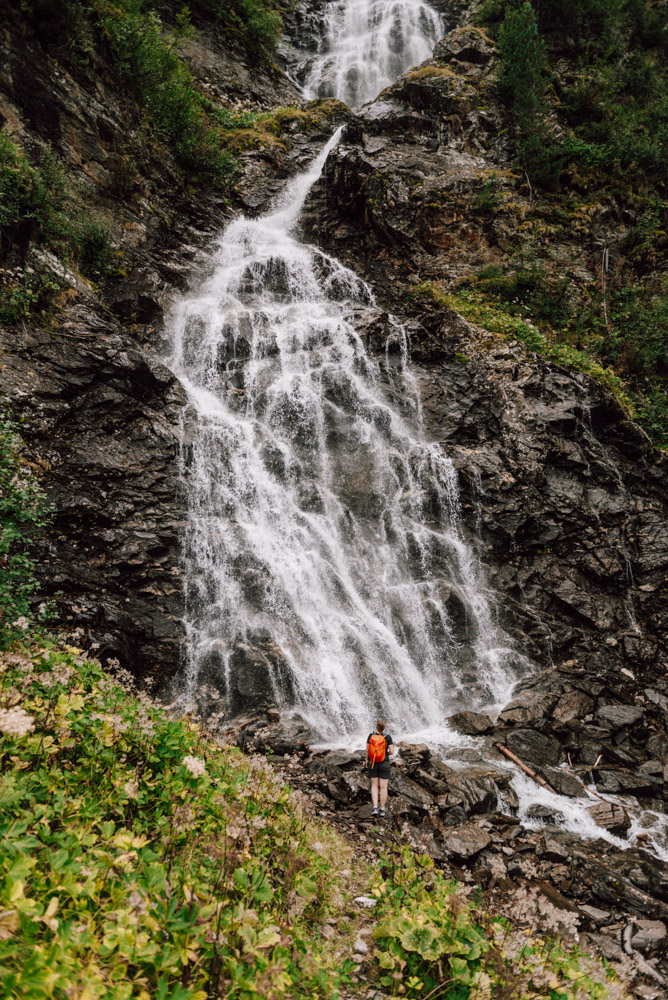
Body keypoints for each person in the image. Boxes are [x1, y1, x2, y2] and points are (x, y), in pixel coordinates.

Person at [367, 718, 394, 817]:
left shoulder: (371, 736)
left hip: (373, 763)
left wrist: (367, 761)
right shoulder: (388, 737)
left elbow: (367, 750)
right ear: (384, 727)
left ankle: (375, 807)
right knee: (383, 787)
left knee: (374, 785)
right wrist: (384, 752)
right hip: (384, 763)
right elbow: (391, 751)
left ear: (376, 726)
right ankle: (382, 809)